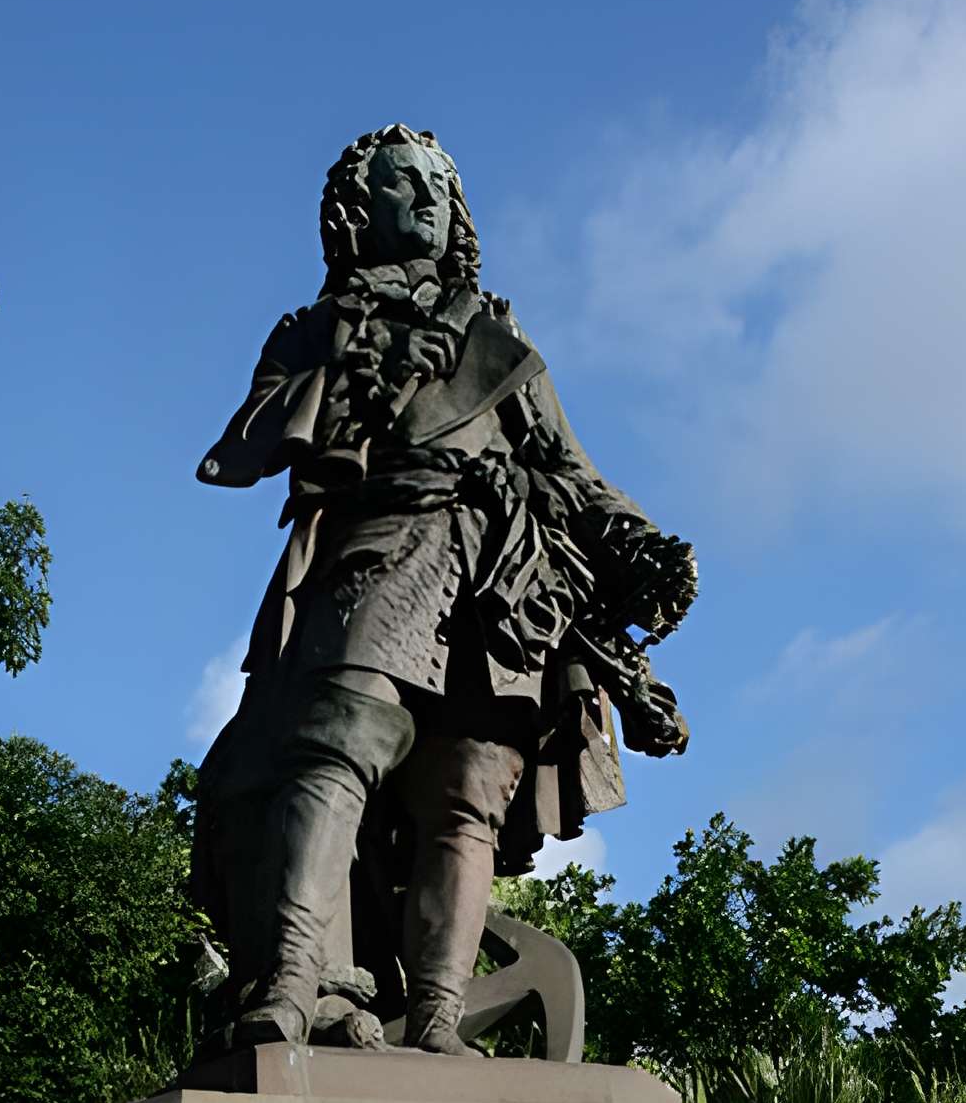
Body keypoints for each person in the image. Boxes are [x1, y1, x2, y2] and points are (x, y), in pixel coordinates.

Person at [193, 123, 694, 1053]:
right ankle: (296, 981)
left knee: (466, 793)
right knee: (337, 743)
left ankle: (437, 1023)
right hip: (380, 546)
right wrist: (355, 375)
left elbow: (571, 471)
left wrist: (641, 539)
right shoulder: (309, 332)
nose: (427, 200)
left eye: (439, 187)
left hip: (500, 578)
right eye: (403, 184)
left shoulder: (500, 340)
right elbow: (248, 448)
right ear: (356, 210)